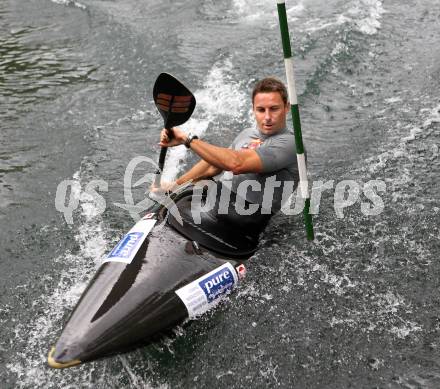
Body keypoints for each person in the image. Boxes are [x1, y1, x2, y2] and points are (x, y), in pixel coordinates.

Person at [154, 77, 299, 245]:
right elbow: (211, 166)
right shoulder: (247, 134)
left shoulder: (291, 144)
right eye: (261, 110)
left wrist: (188, 140)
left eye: (274, 109)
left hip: (239, 230)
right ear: (253, 109)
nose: (267, 117)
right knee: (195, 188)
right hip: (210, 210)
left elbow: (236, 163)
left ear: (287, 107)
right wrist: (174, 186)